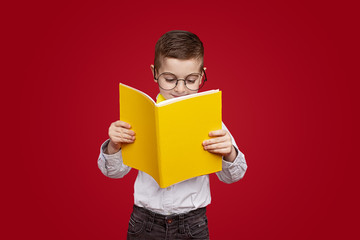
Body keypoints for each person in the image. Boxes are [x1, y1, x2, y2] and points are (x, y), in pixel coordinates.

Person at [98, 30, 248, 240]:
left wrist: (229, 153)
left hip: (192, 225)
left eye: (191, 80)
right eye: (169, 79)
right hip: (144, 223)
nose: (180, 89)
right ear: (154, 73)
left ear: (202, 75)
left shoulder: (209, 119)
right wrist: (113, 147)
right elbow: (113, 172)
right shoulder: (140, 116)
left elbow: (234, 176)